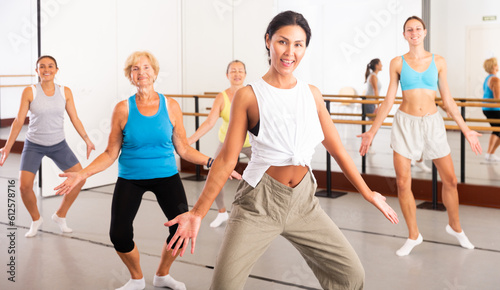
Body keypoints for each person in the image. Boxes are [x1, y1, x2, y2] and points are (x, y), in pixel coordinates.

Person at [165, 11, 399, 290]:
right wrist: (198, 213)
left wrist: (368, 192)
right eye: (282, 42)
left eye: (298, 44)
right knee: (224, 286)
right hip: (259, 203)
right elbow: (228, 159)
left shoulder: (311, 94)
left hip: (303, 203)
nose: (290, 52)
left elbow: (337, 149)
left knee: (351, 276)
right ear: (268, 41)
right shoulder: (249, 95)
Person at [55, 51, 240, 290]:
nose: (141, 72)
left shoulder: (171, 106)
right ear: (130, 76)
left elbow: (183, 149)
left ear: (154, 72)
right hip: (131, 178)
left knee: (180, 230)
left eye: (146, 68)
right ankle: (136, 278)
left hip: (167, 177)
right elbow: (111, 153)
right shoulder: (122, 109)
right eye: (135, 69)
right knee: (119, 235)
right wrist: (82, 174)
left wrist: (213, 163)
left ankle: (162, 275)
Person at [358, 16, 481, 256]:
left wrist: (466, 129)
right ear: (404, 34)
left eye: (417, 29)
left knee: (451, 180)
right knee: (403, 182)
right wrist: (372, 131)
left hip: (433, 124)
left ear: (424, 32)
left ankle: (455, 227)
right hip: (405, 124)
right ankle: (414, 235)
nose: (413, 32)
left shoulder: (439, 61)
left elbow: (448, 101)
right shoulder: (397, 63)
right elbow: (388, 100)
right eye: (409, 30)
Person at [0, 55, 95, 237]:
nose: (46, 69)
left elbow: (75, 118)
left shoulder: (65, 91)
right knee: (24, 187)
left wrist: (87, 139)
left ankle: (60, 215)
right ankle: (36, 219)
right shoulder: (30, 91)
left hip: (58, 144)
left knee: (80, 178)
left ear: (56, 70)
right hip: (34, 144)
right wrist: (7, 147)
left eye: (50, 66)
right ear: (37, 71)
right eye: (42, 66)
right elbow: (19, 121)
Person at [187, 60, 252, 228]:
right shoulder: (222, 97)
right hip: (227, 143)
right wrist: (189, 141)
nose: (237, 74)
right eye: (233, 71)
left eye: (240, 71)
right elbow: (209, 122)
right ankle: (222, 213)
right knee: (214, 176)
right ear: (227, 75)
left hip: (251, 143)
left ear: (245, 74)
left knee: (265, 176)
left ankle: (255, 215)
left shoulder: (252, 94)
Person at [482, 57, 500, 162]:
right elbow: (497, 99)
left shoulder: (488, 78)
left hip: (487, 108)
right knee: (497, 129)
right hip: (494, 109)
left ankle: (489, 154)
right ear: (494, 66)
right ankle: (490, 153)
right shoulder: (495, 79)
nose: (498, 66)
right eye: (497, 64)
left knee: (496, 129)